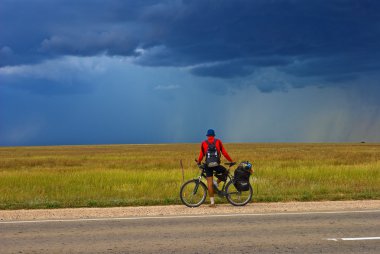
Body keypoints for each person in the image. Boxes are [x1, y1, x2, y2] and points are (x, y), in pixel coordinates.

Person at [197, 129, 234, 207]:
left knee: (209, 184)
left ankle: (212, 203)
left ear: (207, 136)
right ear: (214, 135)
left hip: (208, 165)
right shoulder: (218, 141)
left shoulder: (204, 143)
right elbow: (224, 153)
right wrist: (231, 160)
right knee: (225, 172)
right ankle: (216, 183)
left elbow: (201, 155)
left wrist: (198, 162)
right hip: (216, 164)